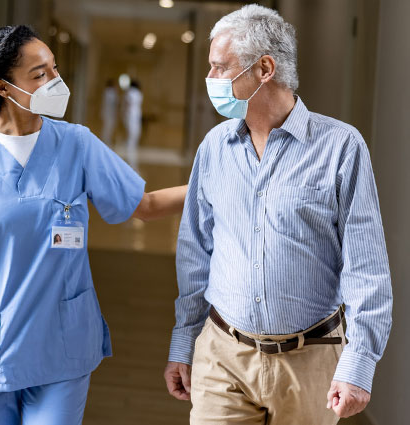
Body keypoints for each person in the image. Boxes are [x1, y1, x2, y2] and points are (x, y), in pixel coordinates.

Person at [0, 25, 187, 425]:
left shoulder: (77, 144)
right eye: (40, 75)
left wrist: (215, 184)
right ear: (3, 88)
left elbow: (144, 205)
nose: (56, 81)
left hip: (62, 346)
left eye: (54, 69)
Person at [165, 5, 392, 424]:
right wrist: (183, 341)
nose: (210, 80)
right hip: (222, 356)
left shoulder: (341, 148)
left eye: (219, 67)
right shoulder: (214, 147)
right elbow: (194, 251)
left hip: (312, 362)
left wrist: (359, 364)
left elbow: (366, 268)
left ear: (264, 68)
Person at [123, 80, 143, 171]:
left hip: (132, 114)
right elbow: (128, 104)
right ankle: (130, 148)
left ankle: (131, 147)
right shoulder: (134, 93)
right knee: (133, 131)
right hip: (132, 114)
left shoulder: (132, 93)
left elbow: (127, 104)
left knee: (134, 131)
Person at [100, 79, 118, 146]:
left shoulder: (107, 92)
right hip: (109, 113)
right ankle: (105, 140)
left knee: (108, 127)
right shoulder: (110, 92)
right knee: (107, 127)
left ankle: (106, 140)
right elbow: (113, 103)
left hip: (108, 113)